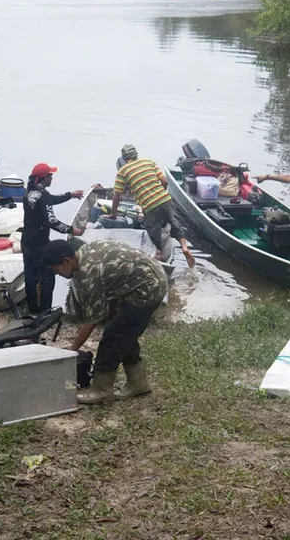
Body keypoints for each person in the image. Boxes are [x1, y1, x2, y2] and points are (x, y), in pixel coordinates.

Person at [43, 238, 168, 404]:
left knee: (113, 338)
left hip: (147, 288)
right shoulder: (85, 252)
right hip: (147, 275)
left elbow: (91, 322)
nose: (56, 274)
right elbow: (111, 284)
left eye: (55, 269)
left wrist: (72, 350)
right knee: (124, 333)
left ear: (66, 261)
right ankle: (138, 383)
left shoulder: (90, 274)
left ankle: (101, 390)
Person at [108, 144, 195, 268]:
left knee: (153, 231)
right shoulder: (148, 161)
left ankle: (159, 253)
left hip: (149, 206)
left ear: (125, 158)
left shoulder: (123, 171)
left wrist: (113, 214)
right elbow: (164, 181)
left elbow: (117, 196)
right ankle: (185, 248)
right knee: (175, 224)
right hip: (165, 199)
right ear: (136, 154)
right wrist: (160, 194)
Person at [21, 162, 85, 315]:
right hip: (40, 244)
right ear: (44, 178)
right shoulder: (44, 195)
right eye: (50, 175)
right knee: (48, 277)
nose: (52, 178)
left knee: (30, 276)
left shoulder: (29, 193)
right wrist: (72, 230)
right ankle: (45, 312)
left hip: (26, 242)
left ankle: (32, 311)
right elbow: (52, 221)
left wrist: (70, 195)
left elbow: (50, 201)